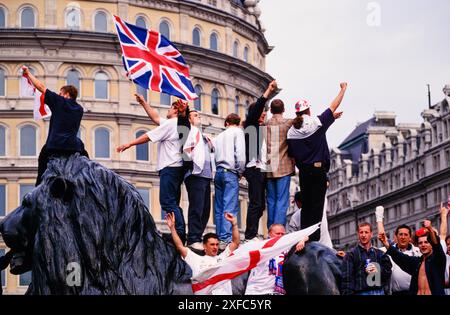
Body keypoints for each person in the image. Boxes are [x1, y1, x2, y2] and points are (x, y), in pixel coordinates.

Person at [117, 99, 187, 244]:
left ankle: (179, 233)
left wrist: (129, 143)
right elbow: (155, 117)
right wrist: (143, 103)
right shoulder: (177, 124)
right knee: (173, 202)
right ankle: (179, 232)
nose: (167, 110)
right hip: (176, 168)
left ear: (175, 110)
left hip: (170, 167)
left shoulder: (171, 124)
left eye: (170, 108)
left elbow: (149, 136)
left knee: (168, 202)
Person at [287, 83, 347, 241]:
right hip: (318, 171)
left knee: (306, 207)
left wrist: (332, 117)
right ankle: (313, 240)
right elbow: (333, 106)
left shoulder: (292, 131)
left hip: (304, 173)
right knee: (318, 207)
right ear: (308, 110)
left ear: (297, 113)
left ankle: (304, 237)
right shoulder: (316, 123)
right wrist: (343, 89)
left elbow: (292, 153)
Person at [21, 66, 88, 186]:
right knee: (86, 157)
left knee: (42, 157)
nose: (58, 95)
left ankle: (40, 185)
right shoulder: (79, 109)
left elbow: (41, 87)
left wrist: (28, 73)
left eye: (60, 93)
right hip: (74, 146)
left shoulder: (60, 101)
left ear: (66, 94)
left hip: (56, 145)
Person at [165, 211, 240, 295]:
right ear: (204, 246)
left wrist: (234, 224)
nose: (215, 247)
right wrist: (172, 228)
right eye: (212, 244)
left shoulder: (223, 257)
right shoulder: (196, 259)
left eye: (217, 244)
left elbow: (235, 243)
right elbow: (180, 246)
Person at [243, 80, 278, 242]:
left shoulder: (261, 130)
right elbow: (257, 108)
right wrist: (267, 93)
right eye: (261, 113)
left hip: (262, 169)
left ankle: (254, 232)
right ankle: (250, 235)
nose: (264, 114)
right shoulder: (251, 125)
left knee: (261, 205)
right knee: (255, 202)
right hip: (254, 168)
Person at [379, 219, 447, 295]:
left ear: (431, 245)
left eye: (426, 242)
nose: (423, 245)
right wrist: (385, 243)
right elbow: (400, 257)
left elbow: (437, 245)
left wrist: (430, 229)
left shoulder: (438, 260)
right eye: (420, 243)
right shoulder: (417, 262)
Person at [182, 110, 215, 250]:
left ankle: (198, 236)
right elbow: (185, 152)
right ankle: (193, 238)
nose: (199, 116)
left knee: (205, 209)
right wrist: (191, 167)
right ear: (189, 119)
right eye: (195, 115)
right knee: (197, 207)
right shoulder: (189, 131)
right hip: (196, 175)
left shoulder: (203, 136)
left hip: (206, 176)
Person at [244, 224, 308, 295]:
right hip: (256, 291)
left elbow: (306, 235)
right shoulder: (260, 247)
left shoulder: (286, 248)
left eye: (282, 234)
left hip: (276, 292)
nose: (280, 236)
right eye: (277, 233)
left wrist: (302, 241)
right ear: (269, 234)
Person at [213, 113, 246, 249]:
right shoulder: (238, 132)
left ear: (226, 123)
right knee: (229, 207)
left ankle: (220, 236)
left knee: (219, 207)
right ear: (237, 123)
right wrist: (240, 171)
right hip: (230, 172)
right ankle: (226, 238)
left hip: (219, 172)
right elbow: (240, 154)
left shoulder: (219, 136)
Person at [265, 99, 295, 229]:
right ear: (283, 109)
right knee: (282, 200)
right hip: (284, 165)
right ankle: (279, 229)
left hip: (269, 166)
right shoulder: (288, 123)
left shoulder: (265, 125)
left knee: (271, 200)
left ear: (271, 110)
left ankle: (271, 229)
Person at [341, 222, 392, 295]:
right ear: (358, 234)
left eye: (366, 232)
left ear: (371, 234)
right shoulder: (351, 255)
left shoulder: (380, 254)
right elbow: (347, 280)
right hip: (361, 292)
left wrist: (378, 270)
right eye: (361, 232)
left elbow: (388, 273)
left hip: (379, 292)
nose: (363, 235)